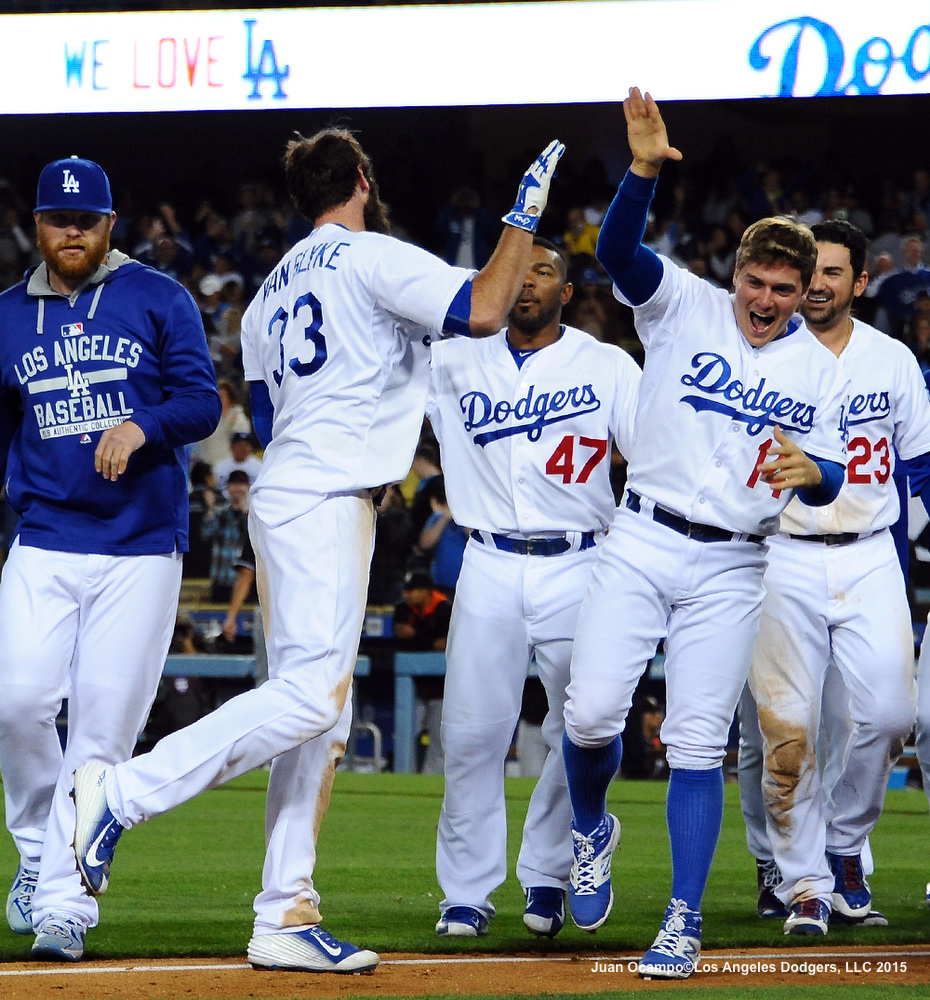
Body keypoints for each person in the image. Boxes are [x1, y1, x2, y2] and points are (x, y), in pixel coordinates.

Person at [71, 129, 565, 975]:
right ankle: (120, 792)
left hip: (290, 489)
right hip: (329, 496)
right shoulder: (372, 256)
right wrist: (523, 212)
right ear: (363, 181)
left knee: (322, 722)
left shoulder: (267, 292)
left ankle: (285, 910)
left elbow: (263, 422)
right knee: (309, 699)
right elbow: (485, 306)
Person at [558, 89, 848, 980]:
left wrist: (817, 473)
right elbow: (613, 253)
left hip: (734, 563)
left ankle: (682, 921)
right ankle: (590, 827)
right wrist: (642, 171)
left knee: (694, 743)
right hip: (640, 538)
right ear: (737, 276)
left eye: (785, 290)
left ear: (805, 294)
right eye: (756, 283)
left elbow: (833, 470)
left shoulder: (816, 366)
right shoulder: (680, 302)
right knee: (591, 712)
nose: (767, 300)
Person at [0, 155, 220, 961]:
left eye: (85, 221)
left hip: (139, 547)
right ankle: (35, 852)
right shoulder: (5, 316)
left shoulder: (157, 297)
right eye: (58, 220)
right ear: (36, 225)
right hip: (45, 538)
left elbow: (203, 401)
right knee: (16, 704)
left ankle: (64, 906)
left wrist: (143, 425)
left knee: (99, 735)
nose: (71, 233)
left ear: (109, 225)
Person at [427, 236, 641, 940]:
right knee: (470, 734)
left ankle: (549, 874)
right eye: (517, 269)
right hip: (485, 560)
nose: (526, 282)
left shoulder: (607, 366)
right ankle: (465, 892)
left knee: (577, 728)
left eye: (543, 271)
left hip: (582, 560)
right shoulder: (450, 358)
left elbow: (650, 461)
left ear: (567, 291)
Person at [746, 220, 930, 935]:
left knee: (890, 716)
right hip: (780, 555)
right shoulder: (759, 355)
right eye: (808, 270)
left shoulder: (891, 361)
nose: (817, 284)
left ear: (859, 281)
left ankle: (845, 842)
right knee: (788, 735)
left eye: (832, 272)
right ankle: (806, 887)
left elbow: (918, 464)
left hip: (869, 551)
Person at [201, 468, 252, 603]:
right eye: (234, 484)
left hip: (242, 580)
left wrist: (244, 512)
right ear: (228, 487)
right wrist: (210, 508)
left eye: (241, 484)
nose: (237, 488)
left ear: (248, 487)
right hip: (220, 578)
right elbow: (206, 535)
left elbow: (250, 539)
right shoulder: (220, 513)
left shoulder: (253, 516)